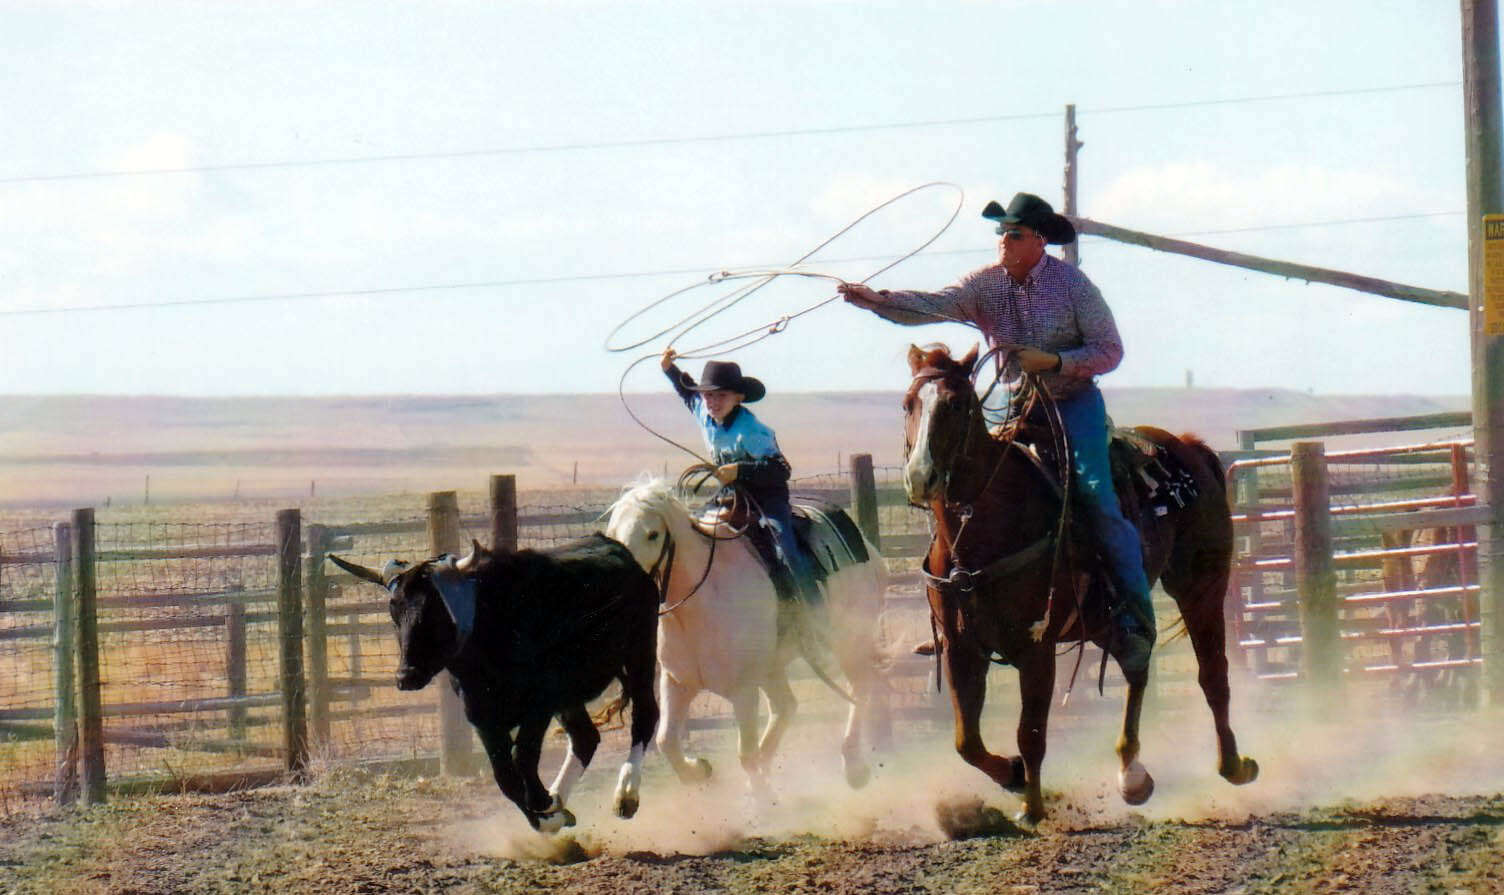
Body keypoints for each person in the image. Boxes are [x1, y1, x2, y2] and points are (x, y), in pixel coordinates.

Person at [837, 191, 1155, 672]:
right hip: (1007, 404)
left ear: (1039, 241)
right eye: (1001, 233)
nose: (1003, 242)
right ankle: (951, 615)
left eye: (1014, 234)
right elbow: (933, 304)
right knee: (956, 487)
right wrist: (877, 302)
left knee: (1096, 496)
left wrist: (1054, 361)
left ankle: (1132, 617)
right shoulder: (985, 285)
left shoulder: (1074, 287)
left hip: (1071, 403)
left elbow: (1109, 351)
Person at [660, 349, 823, 608]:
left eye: (721, 395)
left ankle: (813, 609)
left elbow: (781, 470)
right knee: (695, 531)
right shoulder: (704, 411)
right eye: (709, 395)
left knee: (785, 549)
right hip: (731, 496)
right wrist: (669, 368)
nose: (712, 402)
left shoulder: (752, 431)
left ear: (739, 398)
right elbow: (687, 393)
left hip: (767, 498)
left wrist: (740, 471)